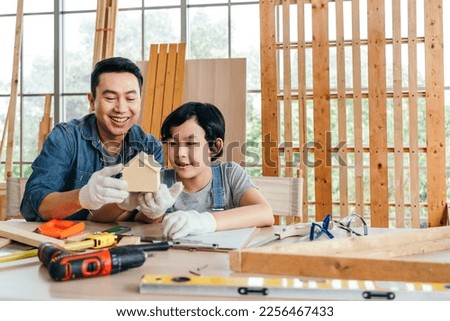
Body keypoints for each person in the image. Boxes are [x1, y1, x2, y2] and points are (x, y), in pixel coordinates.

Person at [20, 57, 173, 222]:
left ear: (139, 101)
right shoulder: (66, 138)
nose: (121, 109)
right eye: (110, 98)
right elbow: (32, 205)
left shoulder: (149, 147)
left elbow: (143, 220)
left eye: (130, 99)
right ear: (92, 101)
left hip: (119, 242)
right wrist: (83, 197)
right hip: (63, 241)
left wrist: (154, 212)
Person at [135, 101, 274, 239]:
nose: (180, 153)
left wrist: (203, 222)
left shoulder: (229, 174)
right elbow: (137, 220)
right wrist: (154, 213)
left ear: (215, 147)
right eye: (172, 143)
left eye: (191, 143)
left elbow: (265, 212)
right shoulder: (159, 180)